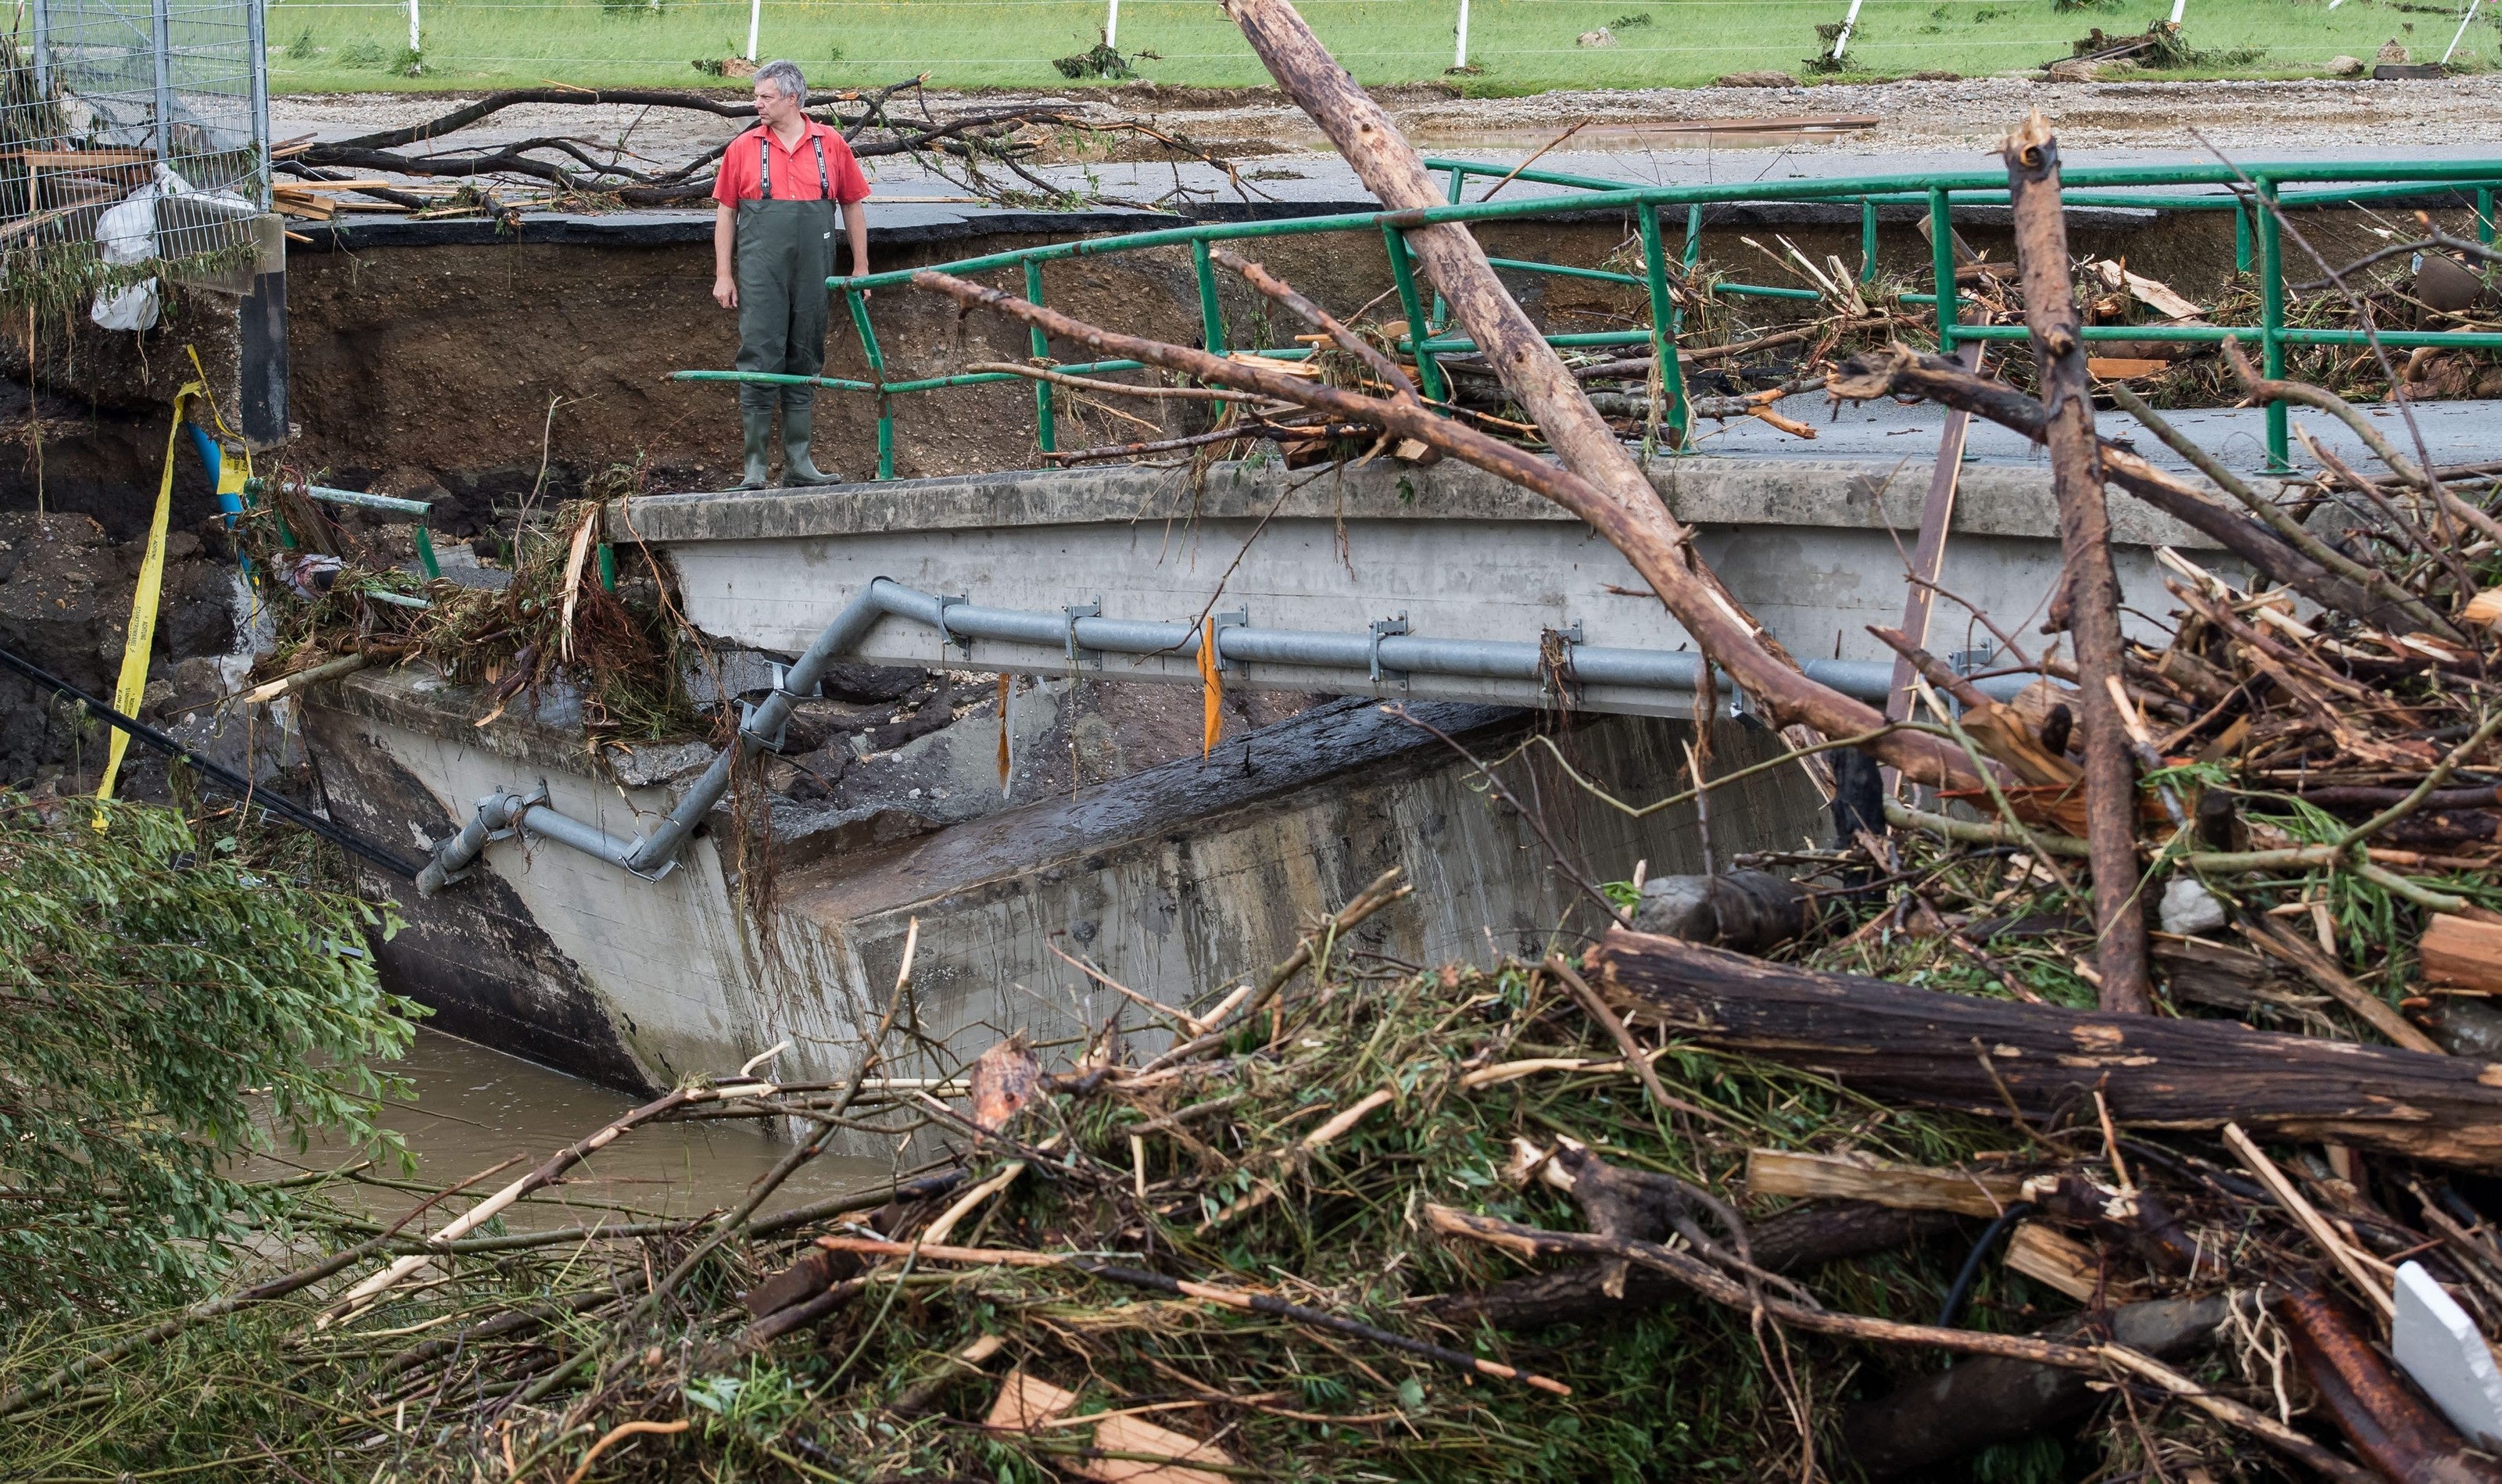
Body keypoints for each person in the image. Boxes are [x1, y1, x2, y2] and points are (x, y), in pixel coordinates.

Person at [711, 59, 870, 489]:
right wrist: (724, 274)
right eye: (756, 96)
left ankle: (799, 465)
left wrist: (861, 267)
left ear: (793, 99)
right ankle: (755, 469)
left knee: (806, 354)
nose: (756, 104)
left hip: (814, 271)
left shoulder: (831, 144)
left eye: (765, 97)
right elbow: (726, 213)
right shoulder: (742, 148)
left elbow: (853, 204)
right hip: (761, 273)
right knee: (761, 355)